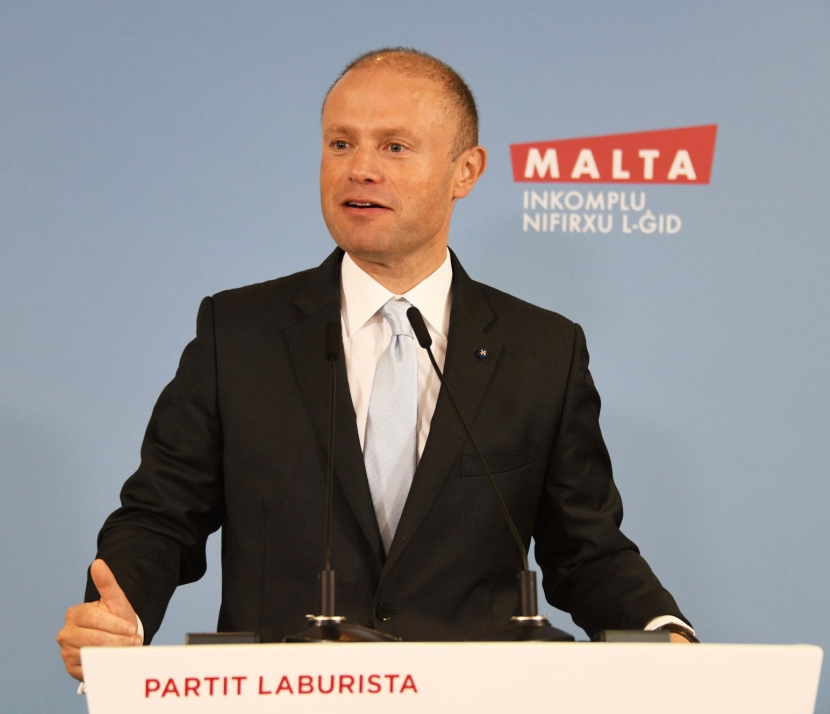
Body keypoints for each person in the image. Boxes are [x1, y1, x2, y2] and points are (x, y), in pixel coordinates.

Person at [57, 47, 694, 683]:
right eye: (340, 144)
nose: (359, 169)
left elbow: (586, 548)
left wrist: (662, 631)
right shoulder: (239, 333)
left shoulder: (543, 351)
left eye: (394, 147)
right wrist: (121, 613)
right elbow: (161, 517)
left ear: (465, 171)